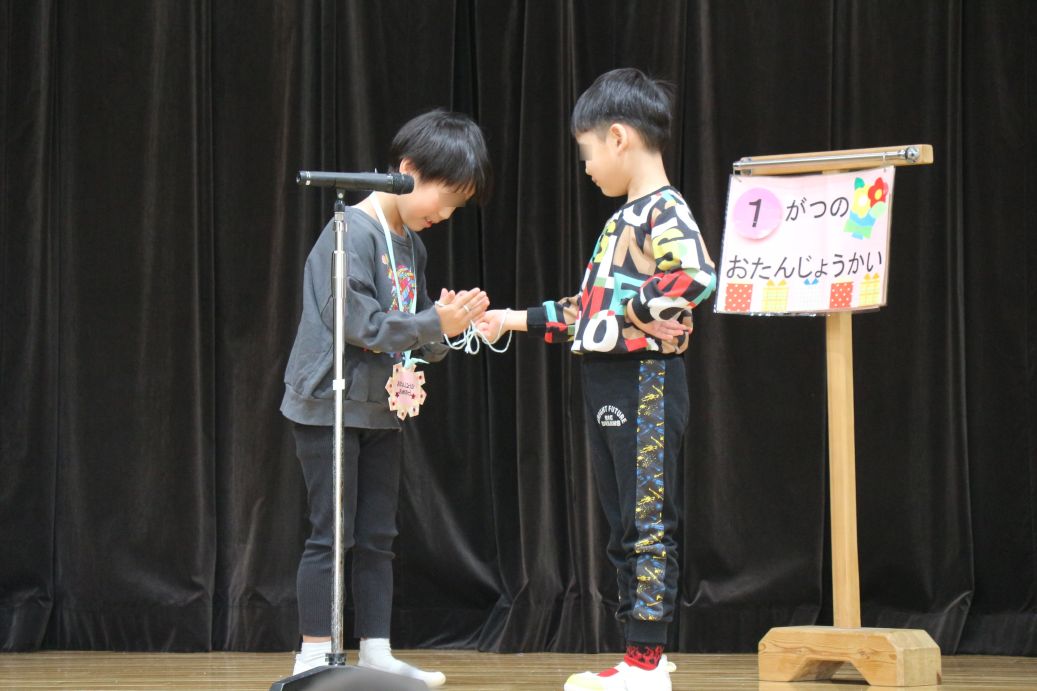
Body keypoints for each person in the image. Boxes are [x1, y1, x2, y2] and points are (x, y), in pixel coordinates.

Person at [477, 68, 716, 691]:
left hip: (645, 381)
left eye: (586, 152)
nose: (585, 167)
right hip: (611, 380)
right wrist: (511, 318)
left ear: (617, 137)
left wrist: (635, 311)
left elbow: (696, 275)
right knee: (623, 522)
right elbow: (587, 309)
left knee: (645, 520)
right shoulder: (624, 219)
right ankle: (642, 655)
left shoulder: (662, 209)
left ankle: (646, 663)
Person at [281, 109, 492, 687]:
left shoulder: (411, 247)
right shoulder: (349, 230)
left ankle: (375, 651)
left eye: (456, 207)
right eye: (445, 198)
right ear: (408, 170)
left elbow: (413, 334)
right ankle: (312, 656)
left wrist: (455, 325)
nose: (444, 216)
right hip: (329, 402)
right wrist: (433, 322)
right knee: (332, 533)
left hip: (381, 406)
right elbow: (361, 325)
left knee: (378, 536)